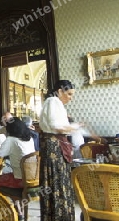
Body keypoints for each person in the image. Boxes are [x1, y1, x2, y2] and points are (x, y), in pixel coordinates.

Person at [39, 80, 81, 221]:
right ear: (60, 91)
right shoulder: (53, 101)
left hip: (53, 144)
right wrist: (75, 127)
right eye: (69, 94)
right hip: (54, 146)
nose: (71, 98)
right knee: (57, 181)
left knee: (58, 180)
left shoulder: (55, 103)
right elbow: (56, 126)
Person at [0, 116, 35, 191]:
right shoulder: (30, 138)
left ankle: (1, 202)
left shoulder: (11, 140)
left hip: (19, 179)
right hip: (33, 177)